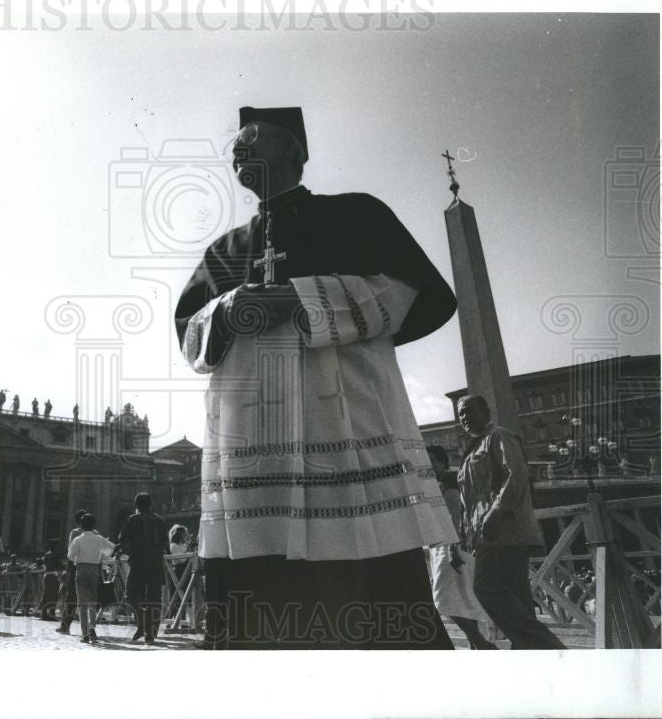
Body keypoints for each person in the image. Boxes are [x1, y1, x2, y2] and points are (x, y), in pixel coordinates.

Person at [174, 106, 458, 649]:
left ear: (293, 150)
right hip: (253, 454)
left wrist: (299, 295)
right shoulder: (222, 252)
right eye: (232, 144)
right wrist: (227, 309)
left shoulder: (357, 215)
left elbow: (415, 293)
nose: (236, 150)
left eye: (250, 139)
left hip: (343, 437)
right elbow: (189, 331)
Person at [457, 394, 566, 649]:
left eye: (469, 411)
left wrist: (496, 512)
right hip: (487, 532)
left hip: (501, 529)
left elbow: (516, 476)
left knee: (487, 588)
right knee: (517, 598)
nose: (464, 417)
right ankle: (531, 655)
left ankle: (550, 648)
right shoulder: (474, 447)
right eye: (461, 414)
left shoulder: (499, 437)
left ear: (486, 411)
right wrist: (465, 534)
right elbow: (469, 501)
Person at [425, 445, 497, 650]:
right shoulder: (441, 481)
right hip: (450, 543)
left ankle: (481, 643)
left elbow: (455, 512)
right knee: (462, 598)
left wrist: (452, 547)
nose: (429, 465)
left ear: (442, 461)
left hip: (449, 544)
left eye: (433, 461)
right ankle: (476, 644)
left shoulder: (447, 479)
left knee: (443, 599)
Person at [115, 492, 169, 643]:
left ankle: (143, 622)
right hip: (157, 562)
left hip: (139, 561)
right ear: (150, 504)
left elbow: (123, 540)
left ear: (137, 505)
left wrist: (127, 550)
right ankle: (151, 632)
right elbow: (166, 542)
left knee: (131, 593)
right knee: (155, 597)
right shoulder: (160, 520)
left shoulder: (133, 520)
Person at [67, 513, 116, 643]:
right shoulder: (99, 538)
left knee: (82, 602)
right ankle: (92, 627)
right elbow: (110, 551)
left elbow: (70, 557)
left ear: (81, 526)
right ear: (94, 525)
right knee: (92, 600)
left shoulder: (78, 539)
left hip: (81, 569)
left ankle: (84, 633)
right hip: (95, 570)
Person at [56, 510, 89, 635]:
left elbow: (71, 553)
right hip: (92, 568)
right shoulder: (96, 534)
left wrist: (69, 570)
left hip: (77, 567)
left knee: (72, 597)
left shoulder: (75, 532)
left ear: (78, 522)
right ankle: (89, 629)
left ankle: (65, 626)